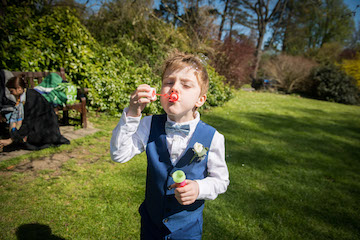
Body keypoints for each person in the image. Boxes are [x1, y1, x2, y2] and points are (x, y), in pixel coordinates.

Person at [110, 51, 229, 239]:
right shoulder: (148, 125)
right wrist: (133, 112)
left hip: (187, 229)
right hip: (151, 224)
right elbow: (119, 154)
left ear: (200, 100)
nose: (174, 89)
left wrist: (199, 188)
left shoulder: (214, 137)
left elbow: (221, 181)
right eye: (168, 82)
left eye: (186, 84)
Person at [0, 75, 69, 151]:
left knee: (26, 143)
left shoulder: (31, 99)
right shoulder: (25, 97)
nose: (11, 94)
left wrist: (11, 140)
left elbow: (28, 123)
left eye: (11, 91)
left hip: (46, 129)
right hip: (41, 124)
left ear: (19, 89)